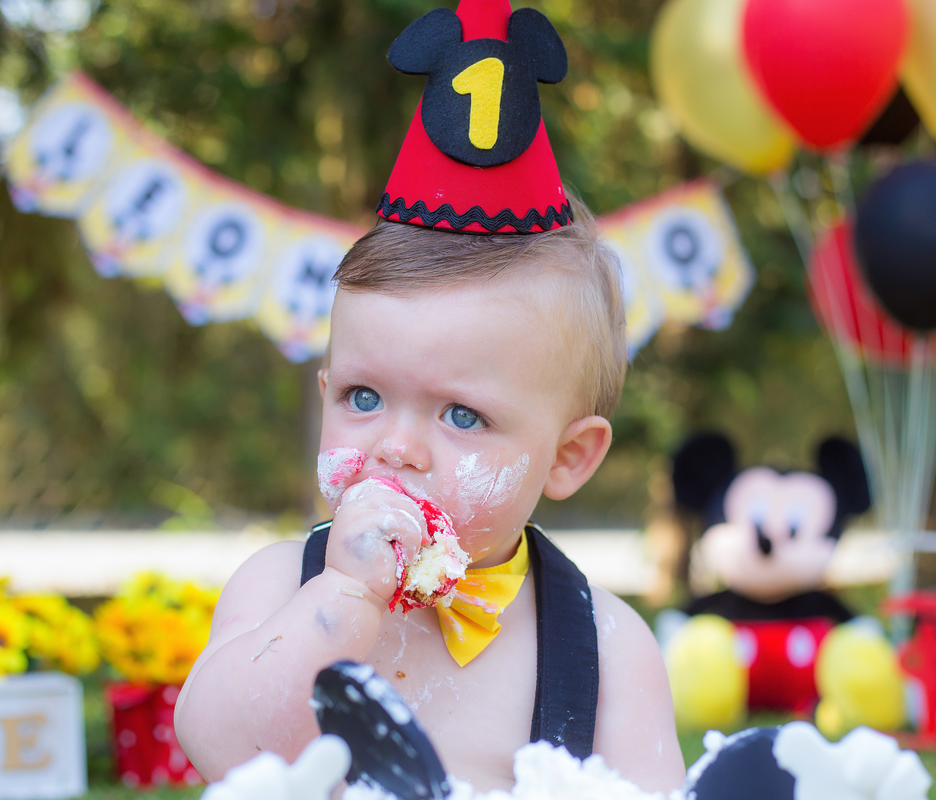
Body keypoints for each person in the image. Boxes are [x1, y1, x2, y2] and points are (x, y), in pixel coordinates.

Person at [175, 0, 685, 792]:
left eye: (461, 415)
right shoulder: (281, 585)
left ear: (569, 456)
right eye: (364, 397)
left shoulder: (607, 647)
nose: (395, 447)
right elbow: (222, 746)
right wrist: (341, 599)